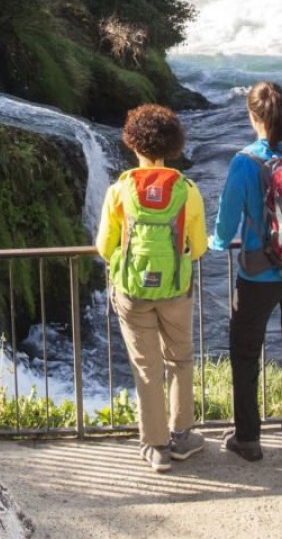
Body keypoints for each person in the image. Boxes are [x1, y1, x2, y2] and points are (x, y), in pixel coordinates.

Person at [210, 81, 282, 467]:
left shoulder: (245, 162)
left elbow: (227, 226)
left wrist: (213, 243)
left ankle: (248, 439)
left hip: (259, 275)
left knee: (245, 356)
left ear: (252, 116)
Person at [96, 104, 208, 472]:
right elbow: (200, 247)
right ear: (173, 145)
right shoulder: (187, 190)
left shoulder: (120, 189)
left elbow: (103, 246)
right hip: (176, 289)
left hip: (132, 291)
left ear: (133, 143)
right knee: (180, 360)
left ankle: (156, 446)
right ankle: (182, 437)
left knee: (147, 367)